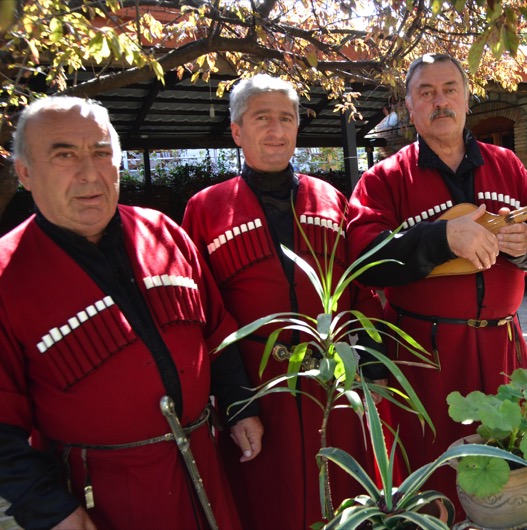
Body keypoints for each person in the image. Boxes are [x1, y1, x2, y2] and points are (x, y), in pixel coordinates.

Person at [0, 96, 263, 530]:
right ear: (25, 173)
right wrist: (51, 510)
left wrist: (238, 405)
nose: (89, 173)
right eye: (64, 155)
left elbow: (217, 331)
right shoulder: (8, 275)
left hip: (206, 471)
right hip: (103, 499)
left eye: (101, 152)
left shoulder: (163, 233)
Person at [182, 74, 387, 530]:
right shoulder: (206, 209)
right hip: (259, 394)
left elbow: (362, 295)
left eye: (286, 119)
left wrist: (370, 376)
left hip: (334, 389)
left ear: (297, 128)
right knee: (269, 506)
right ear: (237, 130)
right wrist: (236, 405)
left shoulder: (332, 199)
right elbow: (207, 318)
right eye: (261, 119)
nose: (276, 130)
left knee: (345, 504)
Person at [346, 53, 527, 511]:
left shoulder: (508, 165)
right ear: (408, 107)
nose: (441, 101)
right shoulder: (383, 179)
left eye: (450, 89)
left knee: (511, 477)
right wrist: (439, 238)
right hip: (424, 355)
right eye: (426, 93)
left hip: (503, 350)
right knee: (433, 476)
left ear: (467, 97)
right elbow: (363, 258)